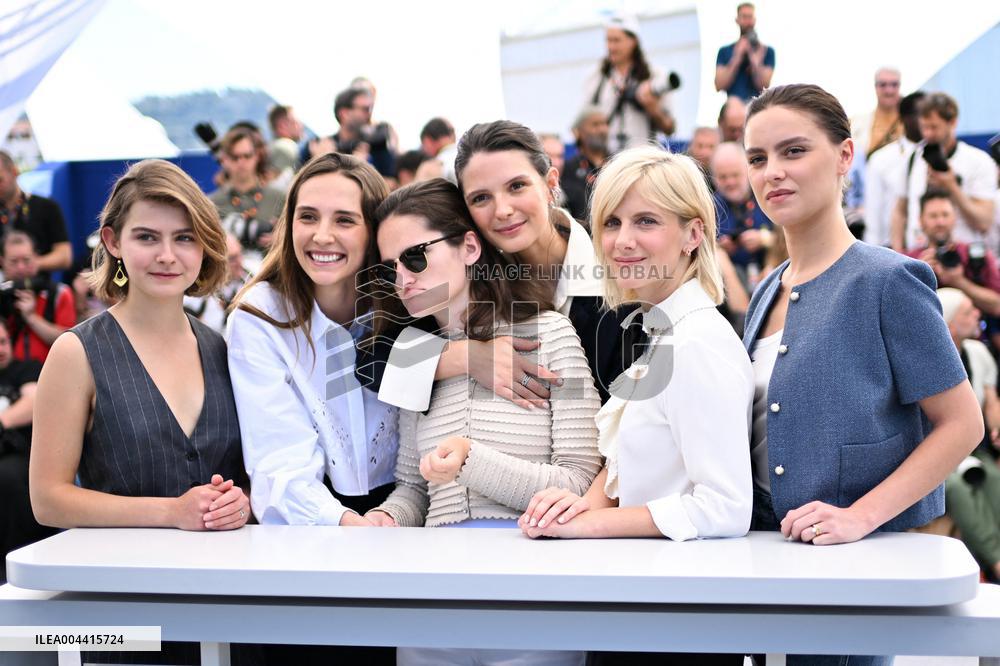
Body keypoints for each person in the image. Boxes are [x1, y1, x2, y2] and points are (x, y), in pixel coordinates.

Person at [742, 83, 982, 665]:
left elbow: (961, 424)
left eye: (794, 151)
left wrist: (860, 517)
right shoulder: (766, 288)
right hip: (766, 559)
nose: (773, 171)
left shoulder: (888, 279)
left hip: (851, 567)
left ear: (845, 156)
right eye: (758, 158)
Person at [365, 178, 600, 666]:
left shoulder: (551, 332)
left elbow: (582, 482)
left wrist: (473, 460)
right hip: (431, 601)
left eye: (415, 256)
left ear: (469, 246)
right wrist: (388, 517)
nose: (402, 279)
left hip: (535, 597)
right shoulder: (414, 358)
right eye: (391, 267)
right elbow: (414, 488)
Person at [29, 159, 254, 665]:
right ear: (112, 242)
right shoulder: (77, 352)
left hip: (231, 609)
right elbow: (48, 500)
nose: (168, 256)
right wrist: (171, 512)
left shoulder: (224, 348)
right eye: (148, 237)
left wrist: (243, 503)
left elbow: (248, 475)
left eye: (185, 238)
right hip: (124, 615)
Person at [226, 152, 397, 665]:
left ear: (373, 231)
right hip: (312, 529)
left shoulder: (403, 301)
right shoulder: (260, 318)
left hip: (406, 520)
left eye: (345, 220)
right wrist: (349, 526)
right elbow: (278, 464)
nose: (322, 235)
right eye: (308, 216)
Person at [358, 120, 636, 411]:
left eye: (517, 186)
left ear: (550, 184)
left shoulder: (618, 263)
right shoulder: (471, 274)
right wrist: (467, 356)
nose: (502, 210)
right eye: (481, 198)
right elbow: (372, 357)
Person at [938, 288, 1000, 583]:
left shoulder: (977, 351)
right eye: (967, 311)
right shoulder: (929, 356)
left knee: (994, 477)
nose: (978, 314)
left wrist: (997, 427)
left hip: (973, 448)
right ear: (949, 324)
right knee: (958, 489)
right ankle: (996, 563)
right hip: (935, 452)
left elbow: (991, 400)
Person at [891, 92, 998, 251]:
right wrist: (898, 254)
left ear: (953, 122)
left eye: (934, 127)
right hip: (920, 259)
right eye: (924, 127)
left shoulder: (978, 162)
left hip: (963, 261)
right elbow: (900, 211)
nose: (927, 134)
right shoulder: (912, 158)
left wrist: (952, 186)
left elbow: (984, 223)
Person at [0, 319, 51, 580]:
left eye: (4, 342)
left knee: (7, 478)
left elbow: (33, 400)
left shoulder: (26, 369)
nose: (1, 349)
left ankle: (13, 565)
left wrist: (2, 423)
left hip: (20, 453)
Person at [585, 13, 676, 154]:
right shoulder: (596, 77)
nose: (611, 47)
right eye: (608, 40)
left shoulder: (655, 76)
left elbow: (670, 128)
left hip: (643, 159)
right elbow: (584, 120)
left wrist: (652, 107)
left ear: (633, 41)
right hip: (605, 161)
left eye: (617, 40)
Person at [903, 189, 1000, 317]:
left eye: (945, 214)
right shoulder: (908, 261)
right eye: (933, 216)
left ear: (954, 218)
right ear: (921, 221)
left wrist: (959, 281)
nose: (940, 222)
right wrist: (919, 275)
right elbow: (899, 308)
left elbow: (997, 306)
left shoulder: (975, 254)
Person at [209, 127, 286, 270]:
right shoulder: (211, 203)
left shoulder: (280, 196)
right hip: (225, 281)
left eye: (247, 155)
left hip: (272, 276)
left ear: (257, 156)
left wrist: (283, 240)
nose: (241, 162)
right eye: (235, 157)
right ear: (224, 159)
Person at [2, 230, 76, 363]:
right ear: (2, 261)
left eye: (26, 260)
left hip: (51, 373)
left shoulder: (59, 293)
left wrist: (31, 317)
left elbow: (71, 342)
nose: (21, 267)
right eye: (13, 262)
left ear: (36, 257)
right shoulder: (2, 294)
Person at [863, 91, 925, 247]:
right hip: (892, 248)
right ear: (904, 117)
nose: (928, 119)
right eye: (922, 114)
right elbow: (873, 212)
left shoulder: (940, 155)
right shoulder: (881, 159)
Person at [711, 142, 773, 291]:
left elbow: (792, 237)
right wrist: (719, 247)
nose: (730, 182)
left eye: (735, 175)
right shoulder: (709, 206)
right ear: (713, 178)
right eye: (723, 177)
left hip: (771, 274)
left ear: (747, 171)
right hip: (726, 285)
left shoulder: (769, 196)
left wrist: (765, 239)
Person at [0, 150, 73, 274]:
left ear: (14, 172)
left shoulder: (46, 207)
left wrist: (32, 264)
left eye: (0, 180)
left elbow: (65, 256)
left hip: (39, 287)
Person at [306, 87, 397, 178]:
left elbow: (394, 184)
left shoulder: (378, 146)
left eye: (371, 109)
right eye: (365, 109)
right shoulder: (320, 146)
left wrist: (363, 169)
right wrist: (319, 162)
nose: (370, 114)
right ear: (344, 113)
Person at [714, 2, 775, 102]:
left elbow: (765, 85)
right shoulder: (724, 51)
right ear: (737, 20)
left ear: (755, 20)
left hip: (757, 107)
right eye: (744, 17)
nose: (748, 21)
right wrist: (737, 57)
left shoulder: (768, 51)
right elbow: (718, 85)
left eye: (750, 17)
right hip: (734, 110)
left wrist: (754, 60)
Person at [561, 105, 610, 224]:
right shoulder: (569, 168)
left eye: (605, 124)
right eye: (595, 125)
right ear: (579, 132)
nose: (602, 129)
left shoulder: (618, 163)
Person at [851, 68, 903, 160]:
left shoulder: (910, 123)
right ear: (875, 87)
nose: (889, 90)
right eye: (883, 85)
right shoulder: (856, 123)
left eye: (894, 85)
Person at [266, 104, 304, 179]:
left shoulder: (271, 146)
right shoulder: (287, 146)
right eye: (295, 122)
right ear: (282, 126)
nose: (301, 125)